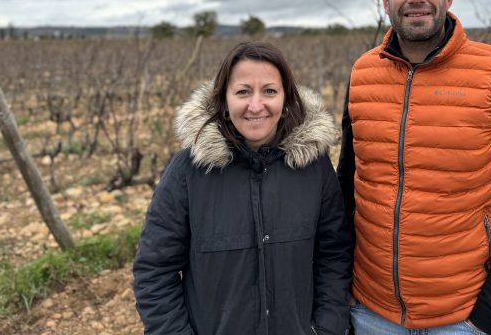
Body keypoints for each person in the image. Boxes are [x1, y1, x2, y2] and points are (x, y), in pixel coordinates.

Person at [337, 0, 491, 335]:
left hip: (462, 318)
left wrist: (489, 316)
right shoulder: (362, 75)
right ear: (386, 0)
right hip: (370, 313)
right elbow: (347, 186)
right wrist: (342, 290)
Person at [134, 41, 352, 335]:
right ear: (224, 101)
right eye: (243, 92)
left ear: (286, 98)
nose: (256, 106)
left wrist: (326, 328)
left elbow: (334, 255)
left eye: (270, 91)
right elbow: (154, 270)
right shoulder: (188, 171)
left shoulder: (314, 166)